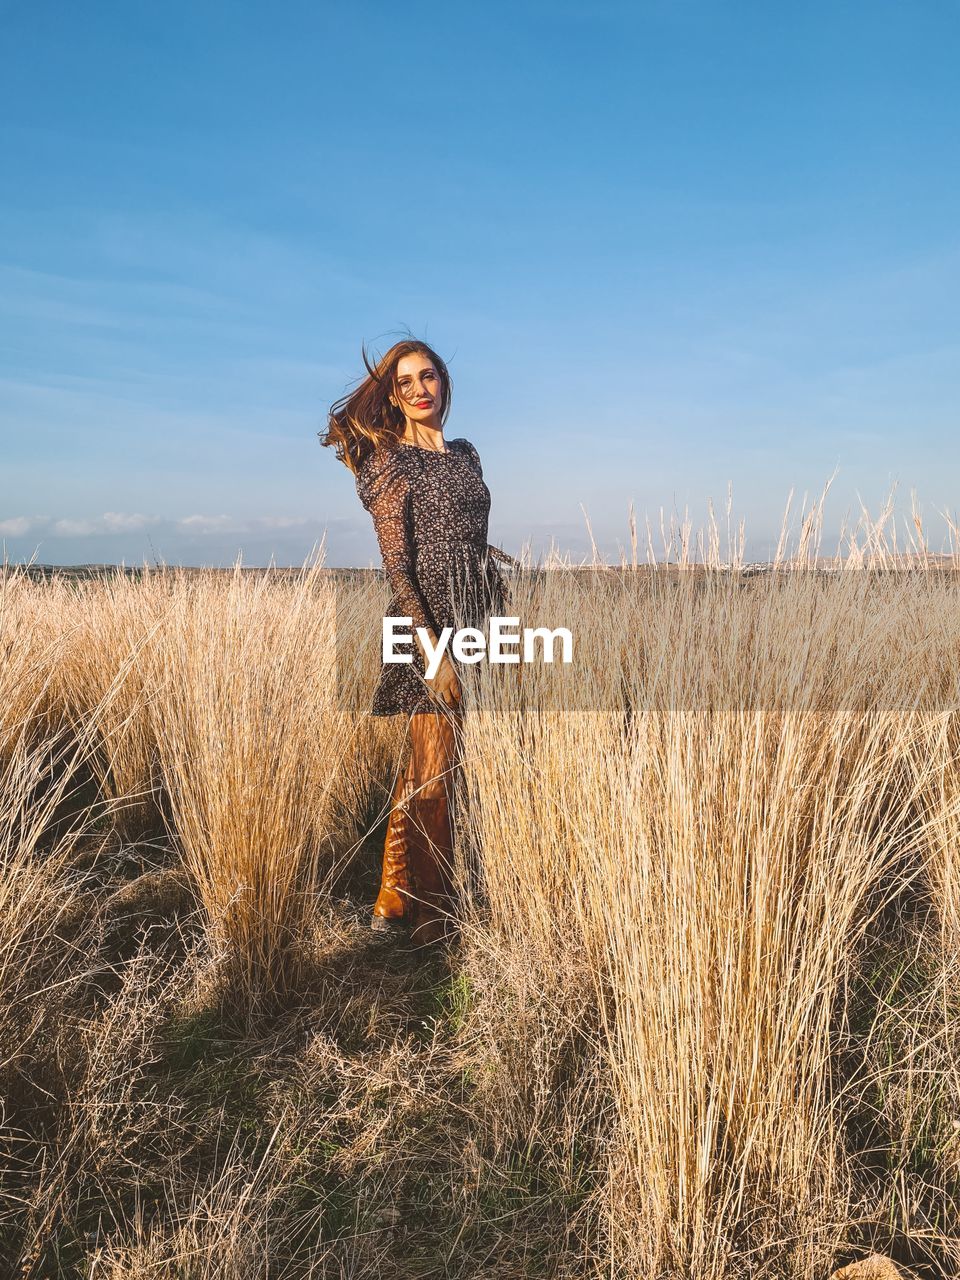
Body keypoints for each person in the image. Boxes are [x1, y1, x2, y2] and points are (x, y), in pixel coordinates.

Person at [320, 338, 513, 945]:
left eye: (428, 376)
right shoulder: (387, 460)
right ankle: (431, 914)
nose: (420, 389)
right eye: (405, 382)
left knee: (430, 767)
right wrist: (432, 653)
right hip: (421, 622)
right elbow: (398, 567)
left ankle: (390, 900)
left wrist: (487, 561)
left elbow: (464, 530)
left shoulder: (465, 454)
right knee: (434, 768)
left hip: (474, 614)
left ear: (444, 382)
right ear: (392, 395)